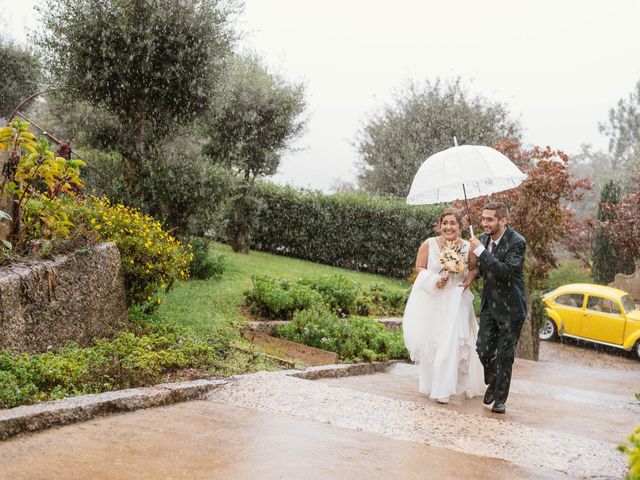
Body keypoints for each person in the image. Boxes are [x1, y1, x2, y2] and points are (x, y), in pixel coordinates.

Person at [402, 208, 486, 404]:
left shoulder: (468, 247)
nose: (449, 227)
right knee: (434, 343)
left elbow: (473, 269)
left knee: (451, 343)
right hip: (434, 299)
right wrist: (434, 280)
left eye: (453, 223)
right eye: (445, 223)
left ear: (460, 226)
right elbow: (419, 268)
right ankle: (431, 384)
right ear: (439, 225)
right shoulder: (428, 244)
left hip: (456, 298)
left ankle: (443, 390)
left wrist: (467, 282)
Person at [469, 202, 527, 414]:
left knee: (505, 355)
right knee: (483, 348)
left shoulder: (517, 242)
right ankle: (493, 380)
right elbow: (482, 271)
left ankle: (500, 399)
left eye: (490, 219)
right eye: (483, 219)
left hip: (512, 309)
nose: (485, 223)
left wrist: (482, 252)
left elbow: (505, 272)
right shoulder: (482, 240)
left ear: (503, 220)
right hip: (489, 305)